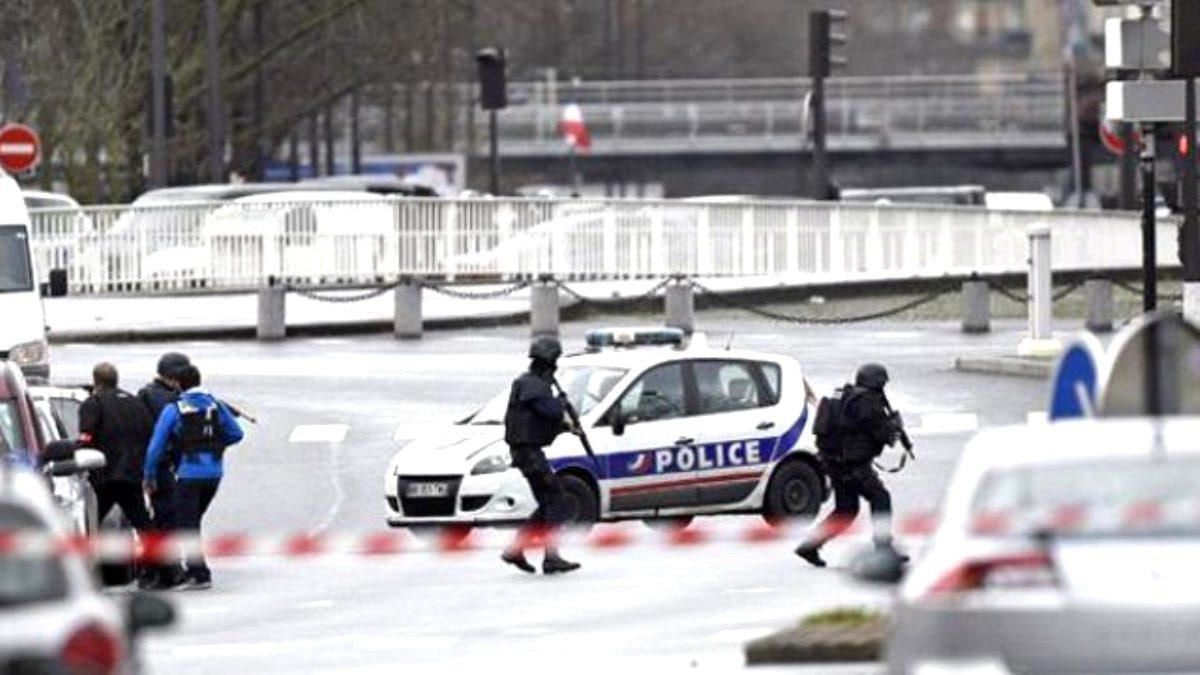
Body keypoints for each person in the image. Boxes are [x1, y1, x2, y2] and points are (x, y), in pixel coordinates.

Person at [795, 363, 906, 568]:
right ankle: (883, 550)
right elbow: (883, 434)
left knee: (846, 510)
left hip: (833, 462)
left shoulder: (843, 396)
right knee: (880, 498)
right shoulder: (867, 402)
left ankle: (810, 545)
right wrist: (895, 427)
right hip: (853, 465)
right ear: (878, 382)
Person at [144, 364, 243, 590]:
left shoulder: (175, 409)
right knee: (191, 520)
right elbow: (236, 433)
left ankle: (198, 573)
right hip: (214, 473)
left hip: (188, 473)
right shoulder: (215, 405)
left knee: (185, 523)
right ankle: (195, 568)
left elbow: (156, 447)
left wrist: (149, 473)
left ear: (177, 384)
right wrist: (214, 446)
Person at [500, 337, 581, 575]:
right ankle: (550, 557)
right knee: (556, 500)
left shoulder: (529, 384)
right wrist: (561, 403)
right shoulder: (534, 386)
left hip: (528, 452)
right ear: (550, 364)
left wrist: (568, 426)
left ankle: (517, 550)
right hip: (529, 454)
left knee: (549, 502)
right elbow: (551, 411)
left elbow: (541, 421)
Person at [78, 363, 155, 579]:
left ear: (96, 381)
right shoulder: (135, 403)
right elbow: (149, 432)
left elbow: (87, 437)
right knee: (143, 524)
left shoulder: (93, 404)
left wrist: (82, 453)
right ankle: (165, 569)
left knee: (89, 524)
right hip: (132, 474)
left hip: (105, 475)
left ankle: (78, 572)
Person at [136, 352, 190, 589]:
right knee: (167, 519)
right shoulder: (170, 400)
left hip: (153, 465)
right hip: (163, 466)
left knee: (160, 519)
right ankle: (162, 570)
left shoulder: (145, 394)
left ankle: (155, 569)